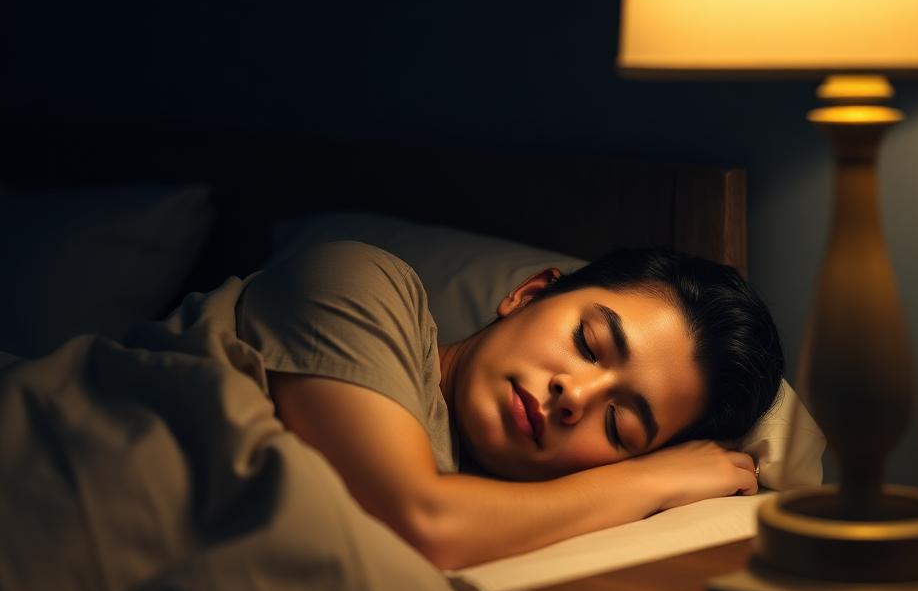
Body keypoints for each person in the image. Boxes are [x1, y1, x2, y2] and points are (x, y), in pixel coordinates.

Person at [236, 240, 784, 571]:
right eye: (587, 344)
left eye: (619, 425)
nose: (575, 395)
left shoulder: (527, 522)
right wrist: (652, 481)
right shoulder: (361, 283)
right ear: (528, 294)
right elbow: (420, 521)